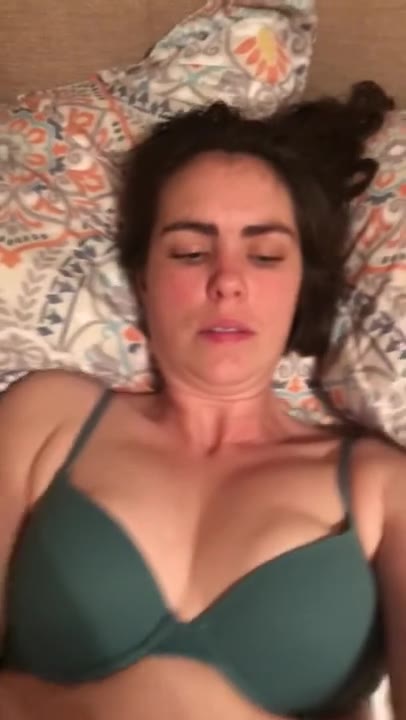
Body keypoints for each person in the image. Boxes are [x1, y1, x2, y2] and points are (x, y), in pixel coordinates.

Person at [0, 81, 403, 720]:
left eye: (265, 255)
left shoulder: (382, 486)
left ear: (303, 286)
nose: (228, 281)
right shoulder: (46, 417)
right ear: (143, 278)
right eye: (190, 252)